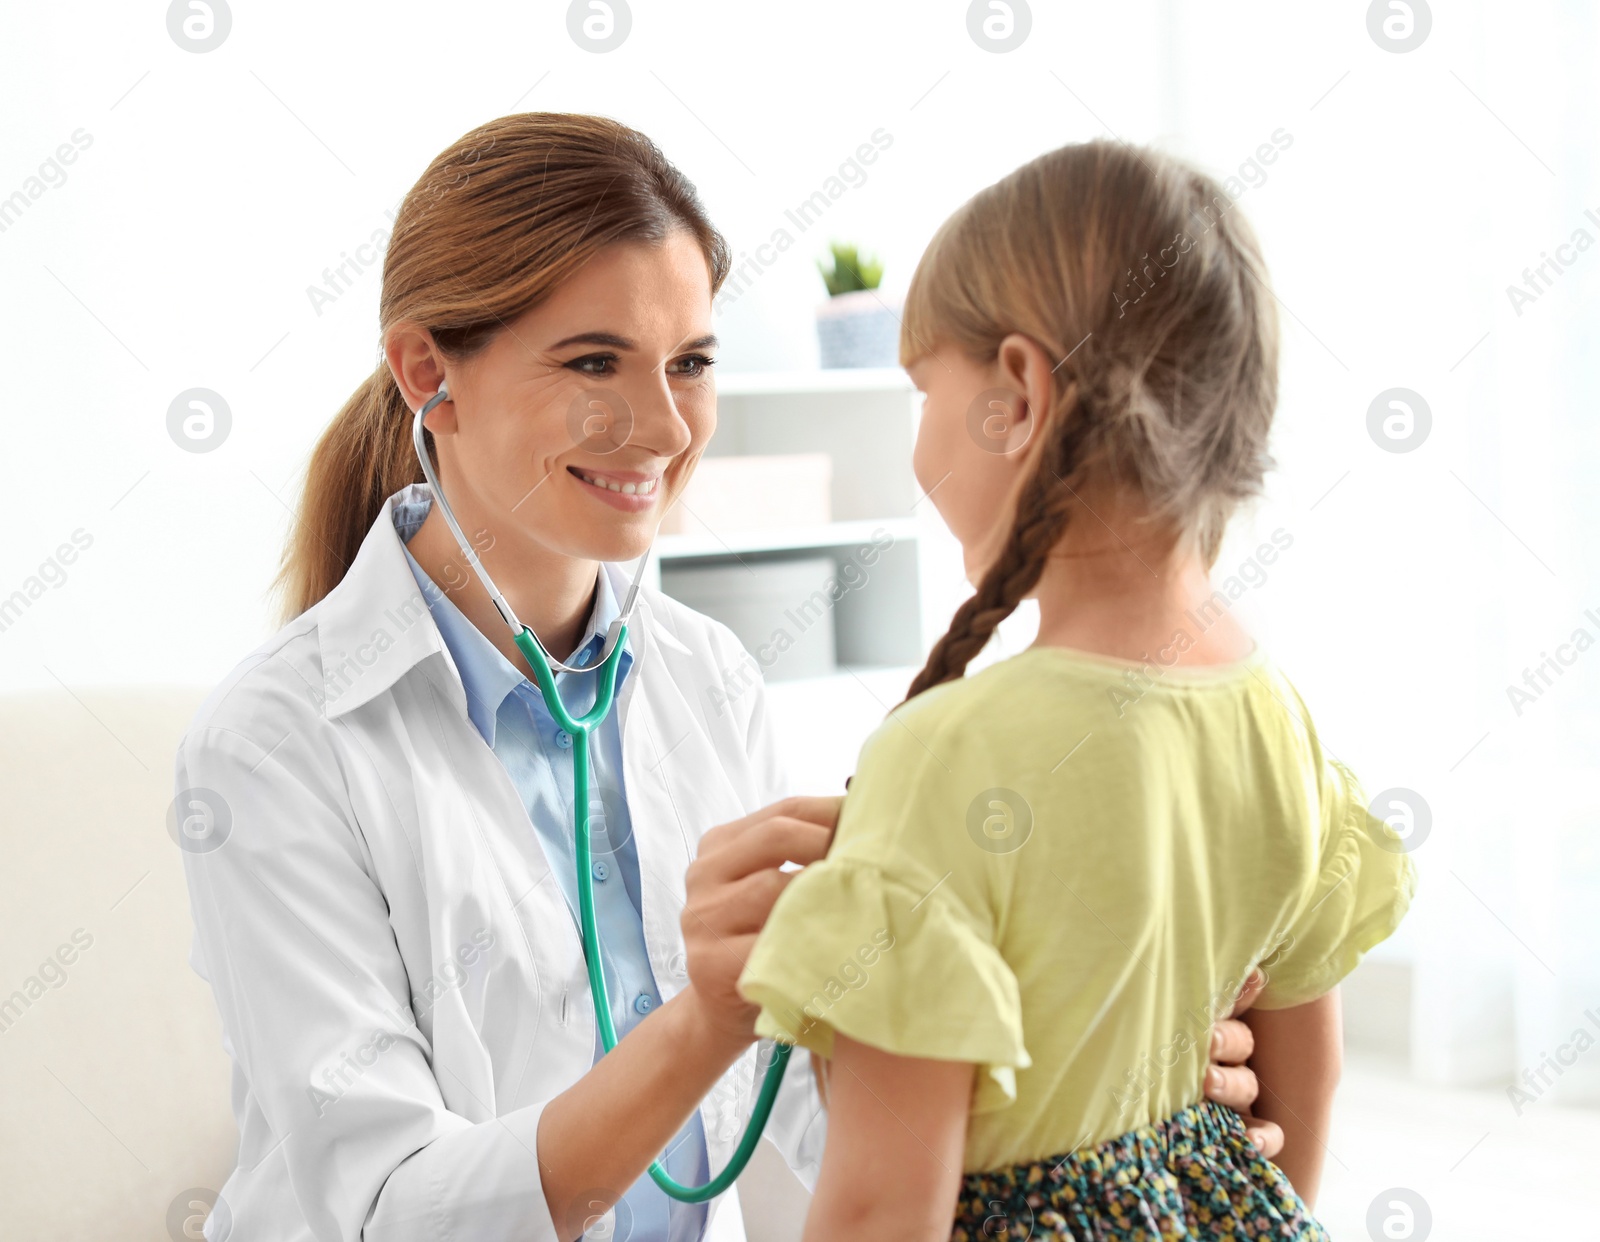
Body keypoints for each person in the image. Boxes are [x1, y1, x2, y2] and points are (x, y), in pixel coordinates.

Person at [173, 114, 1286, 1242]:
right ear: (428, 375)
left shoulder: (707, 677)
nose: (662, 426)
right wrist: (708, 1016)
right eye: (593, 361)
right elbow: (388, 1212)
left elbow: (810, 1109)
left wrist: (1089, 1060)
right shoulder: (273, 745)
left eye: (691, 363)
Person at [737, 139, 1418, 1241]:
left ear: (1015, 393)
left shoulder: (947, 754)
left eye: (923, 390)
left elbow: (875, 1208)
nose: (915, 443)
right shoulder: (1271, 713)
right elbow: (1307, 1091)